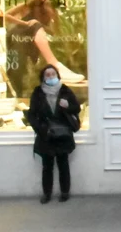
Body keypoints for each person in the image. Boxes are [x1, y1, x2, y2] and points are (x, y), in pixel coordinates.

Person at [27, 64, 81, 204]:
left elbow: (77, 108)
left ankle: (65, 192)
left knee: (63, 164)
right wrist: (40, 128)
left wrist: (67, 106)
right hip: (46, 135)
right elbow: (31, 114)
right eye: (48, 75)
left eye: (53, 74)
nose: (51, 77)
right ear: (43, 77)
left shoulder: (65, 90)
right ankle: (47, 193)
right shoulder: (38, 92)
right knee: (47, 166)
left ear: (57, 75)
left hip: (63, 134)